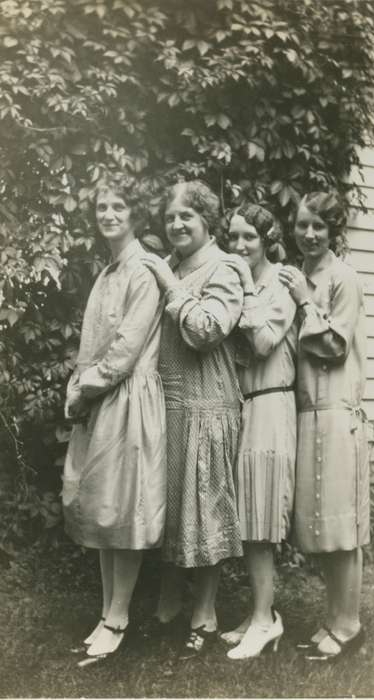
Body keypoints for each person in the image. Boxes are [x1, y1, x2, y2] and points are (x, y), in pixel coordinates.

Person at [141, 180, 250, 657]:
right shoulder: (167, 265)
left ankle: (205, 613)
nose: (177, 224)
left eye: (187, 216)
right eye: (170, 217)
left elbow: (208, 330)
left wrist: (171, 286)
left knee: (205, 511)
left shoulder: (227, 266)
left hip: (209, 405)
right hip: (166, 404)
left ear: (208, 221)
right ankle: (167, 606)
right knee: (169, 510)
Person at [62, 172, 166, 662]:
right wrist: (75, 388)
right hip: (101, 399)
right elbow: (91, 345)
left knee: (122, 510)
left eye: (118, 207)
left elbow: (124, 350)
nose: (108, 214)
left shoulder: (143, 271)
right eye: (102, 206)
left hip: (128, 400)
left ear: (134, 215)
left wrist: (86, 389)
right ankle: (107, 611)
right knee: (102, 508)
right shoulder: (107, 273)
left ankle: (118, 617)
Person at [279, 191, 369, 661]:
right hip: (307, 411)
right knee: (322, 525)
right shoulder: (302, 276)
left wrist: (301, 301)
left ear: (334, 230)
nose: (309, 234)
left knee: (343, 526)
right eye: (301, 225)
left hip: (337, 411)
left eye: (318, 226)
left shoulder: (343, 278)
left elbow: (334, 346)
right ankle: (333, 616)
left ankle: (349, 623)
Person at [220, 204, 297, 659]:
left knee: (262, 518)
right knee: (249, 517)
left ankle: (267, 621)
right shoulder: (239, 282)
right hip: (245, 405)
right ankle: (258, 614)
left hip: (271, 402)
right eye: (233, 237)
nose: (240, 245)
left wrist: (246, 288)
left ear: (267, 239)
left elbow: (266, 342)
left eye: (249, 236)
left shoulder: (283, 281)